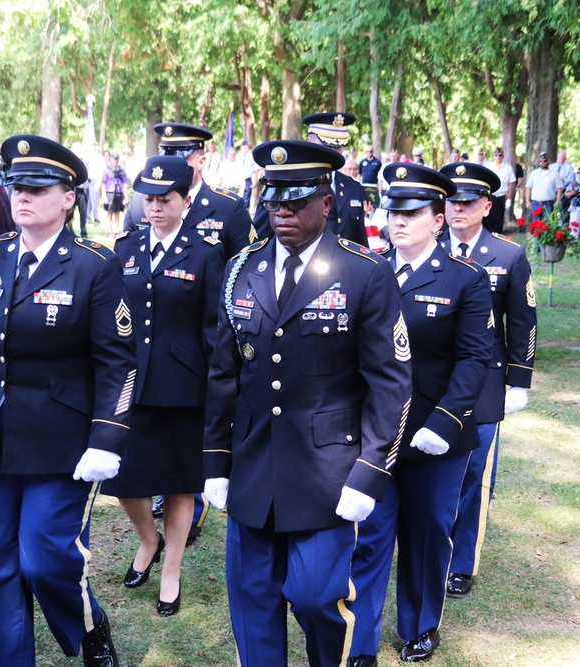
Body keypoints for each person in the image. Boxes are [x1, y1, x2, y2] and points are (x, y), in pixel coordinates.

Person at [0, 135, 137, 666]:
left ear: (68, 197)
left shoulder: (93, 265)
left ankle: (89, 631)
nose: (23, 196)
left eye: (38, 188)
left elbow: (121, 363)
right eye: (18, 186)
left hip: (62, 440)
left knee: (45, 559)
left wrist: (106, 438)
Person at [202, 139, 412, 667]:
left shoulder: (365, 273)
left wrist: (371, 470)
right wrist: (215, 462)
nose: (283, 212)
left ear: (327, 202)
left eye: (296, 201)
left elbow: (391, 383)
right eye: (274, 200)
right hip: (253, 465)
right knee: (253, 602)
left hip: (328, 472)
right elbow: (224, 373)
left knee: (319, 598)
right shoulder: (240, 269)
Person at [348, 162, 493, 666]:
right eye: (394, 212)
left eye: (413, 213)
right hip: (375, 435)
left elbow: (476, 358)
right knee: (368, 536)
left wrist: (446, 421)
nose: (399, 221)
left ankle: (420, 626)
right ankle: (360, 641)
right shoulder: (367, 269)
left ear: (438, 220)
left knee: (428, 534)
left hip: (436, 437)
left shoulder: (465, 280)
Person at [101, 156, 224, 617]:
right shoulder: (125, 248)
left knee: (177, 484)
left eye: (165, 200)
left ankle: (171, 568)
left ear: (184, 202)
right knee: (123, 476)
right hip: (131, 384)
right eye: (149, 200)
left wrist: (217, 390)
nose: (154, 208)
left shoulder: (205, 254)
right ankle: (147, 539)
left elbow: (213, 327)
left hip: (182, 388)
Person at [440, 162, 536, 603]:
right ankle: (429, 549)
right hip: (434, 380)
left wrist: (520, 380)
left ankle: (461, 564)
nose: (457, 209)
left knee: (475, 474)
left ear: (485, 206)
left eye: (466, 202)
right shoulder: (427, 246)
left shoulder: (507, 255)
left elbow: (521, 321)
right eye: (451, 201)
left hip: (484, 382)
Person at [125, 123, 255, 263]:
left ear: (201, 162)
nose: (170, 165)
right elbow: (127, 258)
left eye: (180, 158)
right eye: (166, 156)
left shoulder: (228, 207)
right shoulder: (140, 203)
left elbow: (246, 266)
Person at [303, 111, 370, 246]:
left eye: (338, 147)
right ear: (309, 142)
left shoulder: (353, 188)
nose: (333, 152)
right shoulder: (288, 183)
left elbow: (360, 243)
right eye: (328, 145)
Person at [483, 147, 515, 233]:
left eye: (500, 155)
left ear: (503, 156)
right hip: (491, 195)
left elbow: (511, 184)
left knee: (499, 218)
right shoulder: (488, 167)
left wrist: (509, 199)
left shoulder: (508, 167)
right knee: (487, 216)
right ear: (493, 156)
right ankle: (486, 233)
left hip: (501, 196)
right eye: (496, 155)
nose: (498, 157)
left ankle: (497, 235)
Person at [524, 151, 562, 219]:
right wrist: (527, 201)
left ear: (549, 161)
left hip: (549, 203)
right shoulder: (534, 173)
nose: (543, 162)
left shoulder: (555, 174)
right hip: (536, 203)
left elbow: (559, 188)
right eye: (541, 161)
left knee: (547, 226)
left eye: (545, 161)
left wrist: (558, 201)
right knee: (536, 225)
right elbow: (528, 187)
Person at [101, 152, 128, 240]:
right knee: (109, 213)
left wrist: (125, 196)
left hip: (119, 193)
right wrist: (104, 195)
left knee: (117, 213)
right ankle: (110, 232)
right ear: (111, 159)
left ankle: (116, 232)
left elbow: (125, 184)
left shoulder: (122, 171)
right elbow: (103, 183)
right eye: (114, 159)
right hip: (109, 192)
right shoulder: (107, 170)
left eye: (117, 159)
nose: (115, 161)